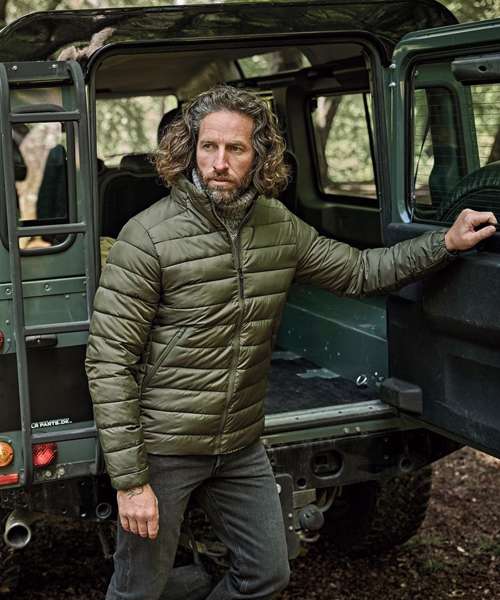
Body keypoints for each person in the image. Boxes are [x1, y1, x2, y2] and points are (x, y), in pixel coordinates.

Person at [85, 85, 497, 600]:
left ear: (259, 155)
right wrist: (130, 481)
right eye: (208, 146)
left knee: (266, 574)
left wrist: (445, 242)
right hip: (165, 446)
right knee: (138, 590)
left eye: (235, 149)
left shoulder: (276, 225)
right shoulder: (146, 237)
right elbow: (109, 361)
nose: (219, 163)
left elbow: (360, 271)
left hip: (239, 444)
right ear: (190, 149)